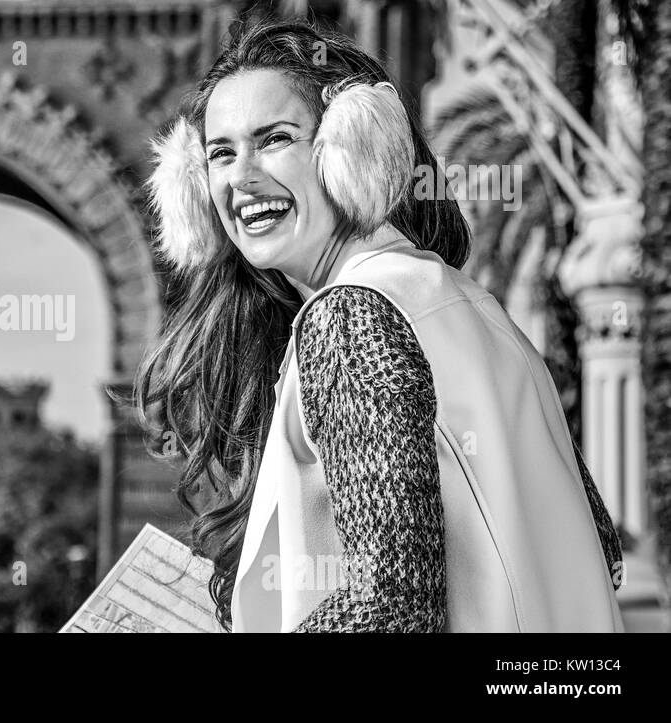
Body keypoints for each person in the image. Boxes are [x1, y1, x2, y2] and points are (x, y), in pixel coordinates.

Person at [133, 19, 624, 632]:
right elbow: (601, 552)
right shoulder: (481, 314)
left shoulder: (349, 318)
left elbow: (394, 606)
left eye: (276, 139)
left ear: (352, 146)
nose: (241, 176)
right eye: (221, 153)